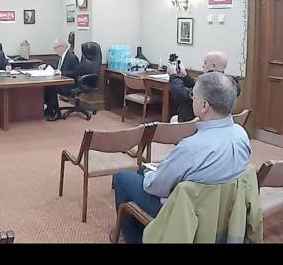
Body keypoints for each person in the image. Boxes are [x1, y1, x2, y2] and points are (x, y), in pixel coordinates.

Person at [112, 72, 251, 243]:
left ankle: (135, 238)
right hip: (221, 210)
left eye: (194, 95)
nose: (192, 99)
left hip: (187, 213)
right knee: (143, 171)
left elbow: (156, 186)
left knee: (122, 178)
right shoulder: (241, 135)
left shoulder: (191, 147)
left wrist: (149, 176)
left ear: (205, 106)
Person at [168, 51, 241, 122]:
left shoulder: (211, 85)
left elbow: (183, 95)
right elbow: (197, 85)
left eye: (205, 63)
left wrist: (173, 76)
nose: (203, 65)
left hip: (193, 123)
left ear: (213, 66)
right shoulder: (228, 83)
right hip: (216, 121)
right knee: (174, 119)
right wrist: (185, 76)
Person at [41, 38, 80, 121]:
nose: (55, 50)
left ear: (62, 47)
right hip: (63, 82)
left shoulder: (71, 57)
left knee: (52, 87)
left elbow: (76, 72)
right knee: (47, 86)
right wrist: (46, 65)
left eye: (56, 48)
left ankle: (56, 112)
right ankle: (50, 109)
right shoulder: (62, 57)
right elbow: (57, 67)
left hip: (71, 85)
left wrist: (62, 73)